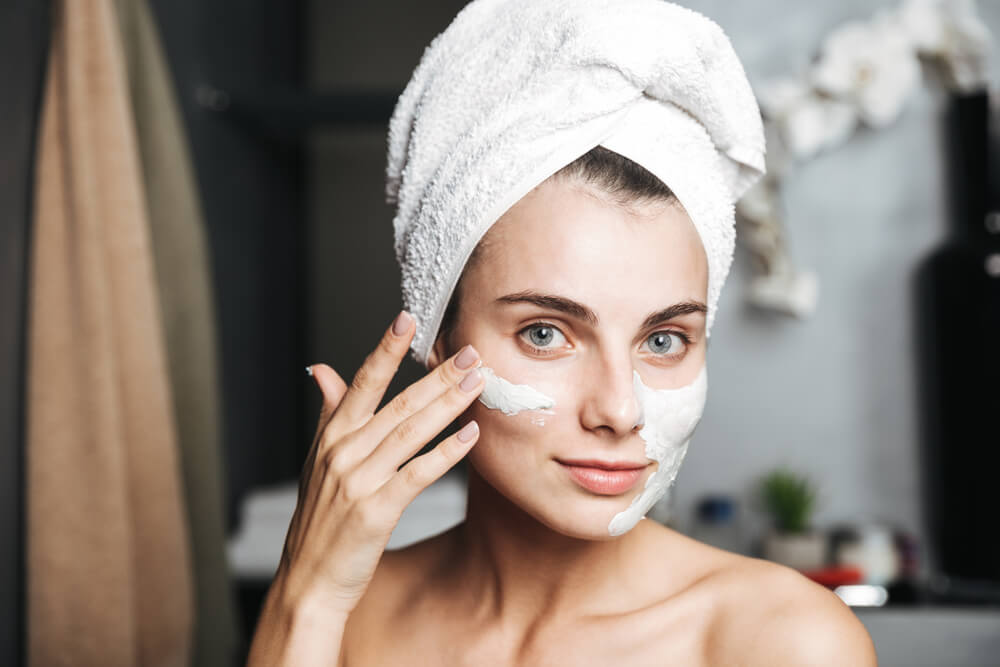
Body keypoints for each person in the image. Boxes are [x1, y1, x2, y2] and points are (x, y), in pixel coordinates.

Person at [248, 1, 878, 664]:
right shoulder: (344, 616)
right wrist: (309, 596)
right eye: (546, 333)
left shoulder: (781, 642)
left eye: (663, 339)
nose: (619, 409)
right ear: (436, 336)